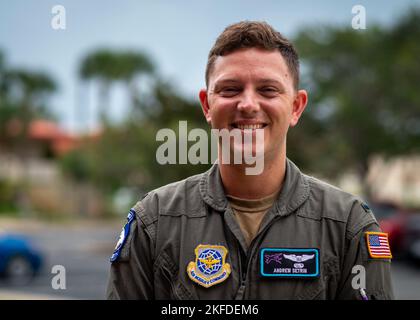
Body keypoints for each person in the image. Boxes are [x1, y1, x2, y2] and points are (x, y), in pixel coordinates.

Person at [106, 21, 394, 300]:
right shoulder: (154, 221)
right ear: (207, 105)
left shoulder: (349, 226)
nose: (247, 104)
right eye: (230, 89)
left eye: (268, 90)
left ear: (296, 107)